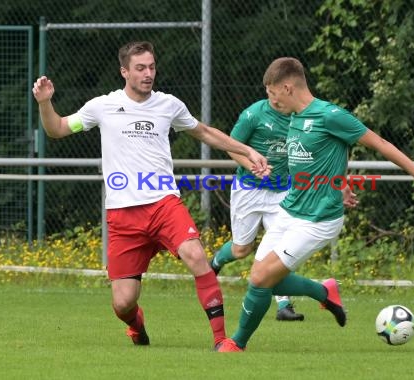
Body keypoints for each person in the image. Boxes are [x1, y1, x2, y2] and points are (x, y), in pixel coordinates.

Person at [32, 41, 270, 349]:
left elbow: (206, 133)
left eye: (152, 67)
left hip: (163, 204)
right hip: (123, 214)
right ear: (125, 72)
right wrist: (45, 103)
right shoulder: (102, 106)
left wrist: (247, 150)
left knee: (197, 256)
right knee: (123, 303)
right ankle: (136, 325)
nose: (148, 74)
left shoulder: (169, 104)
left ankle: (222, 341)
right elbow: (58, 129)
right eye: (141, 68)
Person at [216, 57, 414, 352]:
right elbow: (324, 157)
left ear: (287, 87)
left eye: (273, 93)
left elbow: (381, 144)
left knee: (261, 277)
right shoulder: (294, 118)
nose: (271, 100)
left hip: (318, 219)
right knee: (264, 280)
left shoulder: (331, 115)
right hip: (290, 210)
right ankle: (323, 291)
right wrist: (340, 183)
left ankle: (236, 343)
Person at [210, 99, 359, 321]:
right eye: (270, 92)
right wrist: (253, 166)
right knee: (242, 250)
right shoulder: (253, 115)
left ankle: (284, 306)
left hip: (283, 191)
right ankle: (214, 264)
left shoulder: (301, 116)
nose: (275, 97)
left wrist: (341, 182)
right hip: (248, 189)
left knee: (279, 251)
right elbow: (233, 146)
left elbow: (330, 149)